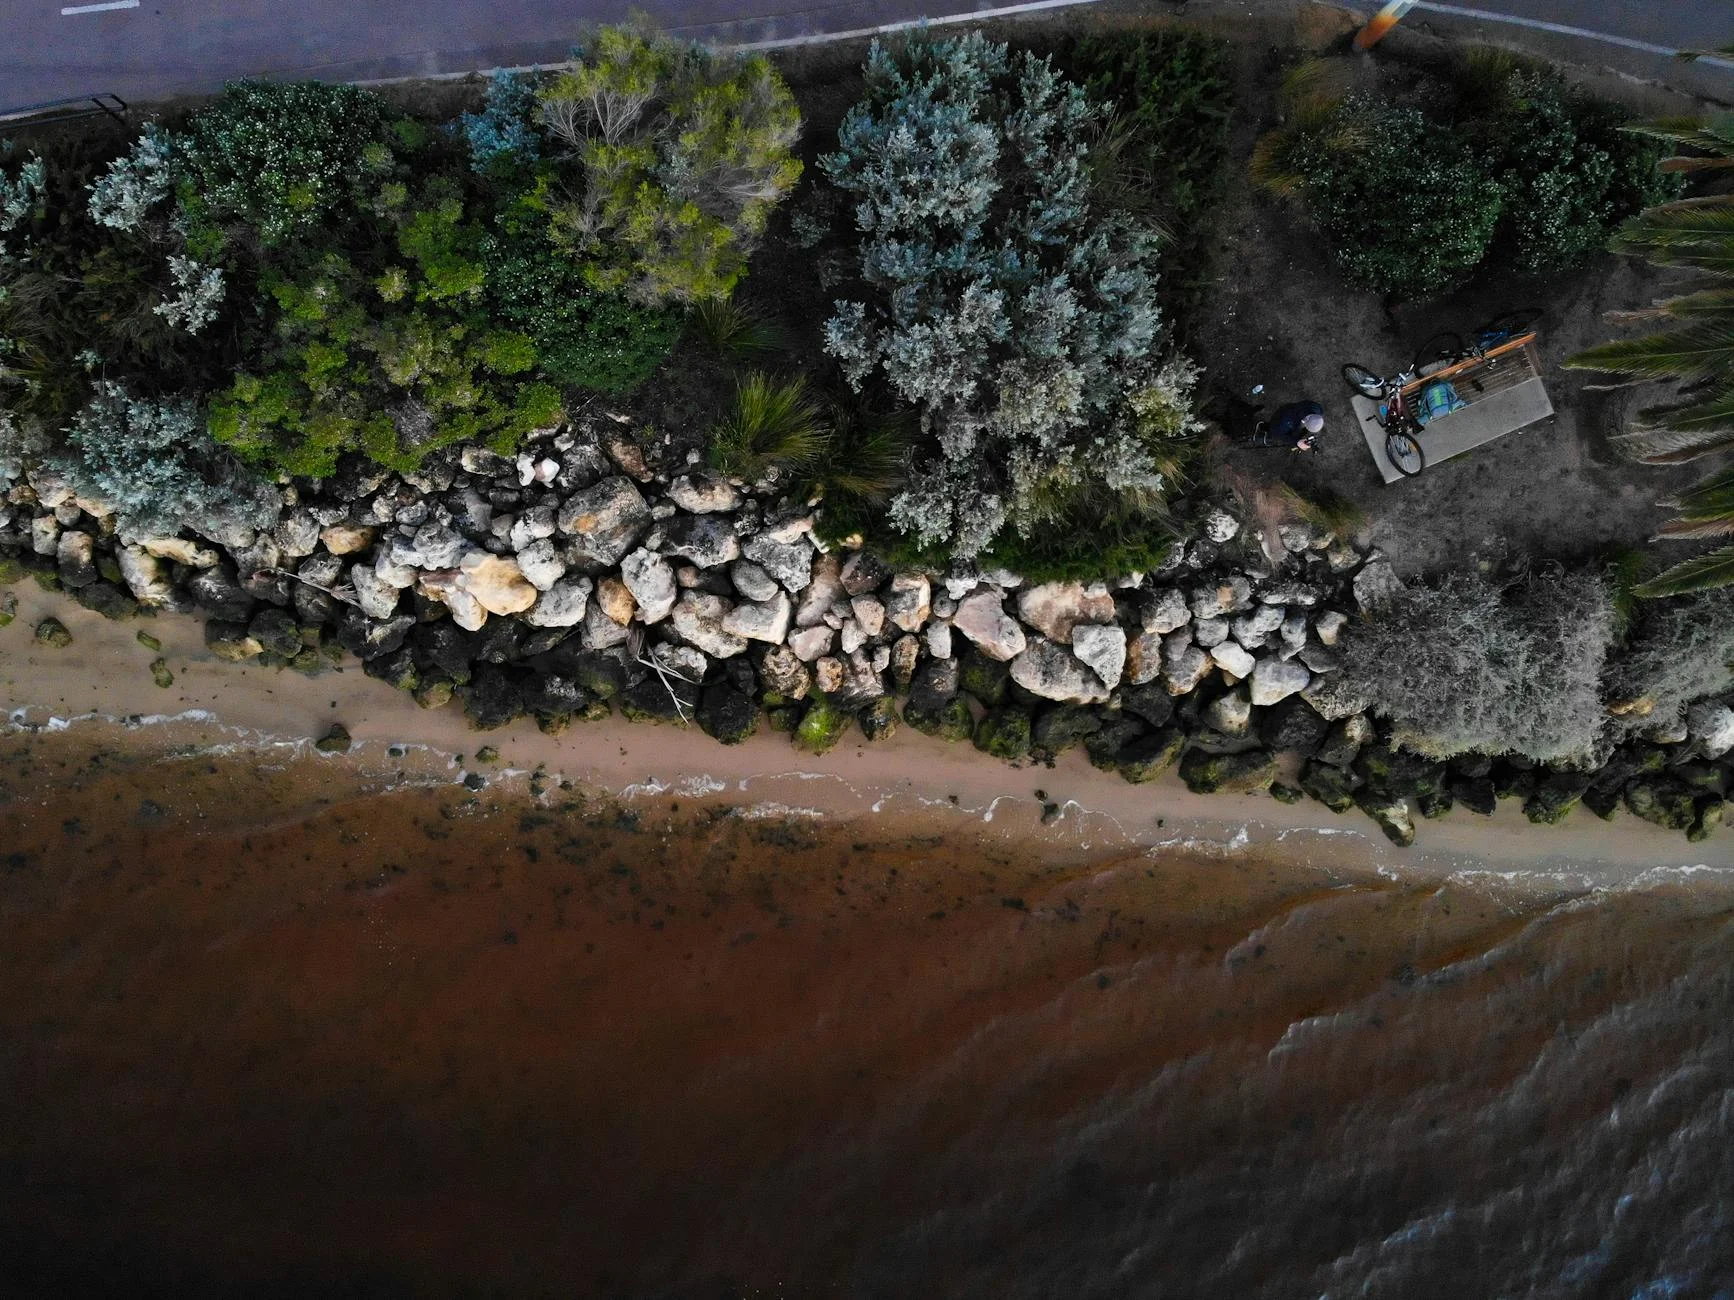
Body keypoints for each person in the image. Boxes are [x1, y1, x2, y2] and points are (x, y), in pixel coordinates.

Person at [1248, 399, 1324, 452]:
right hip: (1279, 419)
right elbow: (1278, 434)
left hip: (1288, 408)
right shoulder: (1286, 420)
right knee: (1273, 433)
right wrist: (1296, 442)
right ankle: (1263, 430)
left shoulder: (1316, 408)